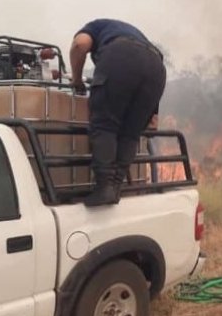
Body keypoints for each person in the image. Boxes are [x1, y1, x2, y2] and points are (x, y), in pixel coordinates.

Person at [70, 18, 166, 206]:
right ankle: (115, 186)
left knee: (105, 125)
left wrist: (76, 80)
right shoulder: (132, 34)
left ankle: (104, 186)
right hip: (157, 68)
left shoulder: (95, 26)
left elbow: (79, 45)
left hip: (121, 57)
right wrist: (153, 113)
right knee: (130, 133)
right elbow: (149, 63)